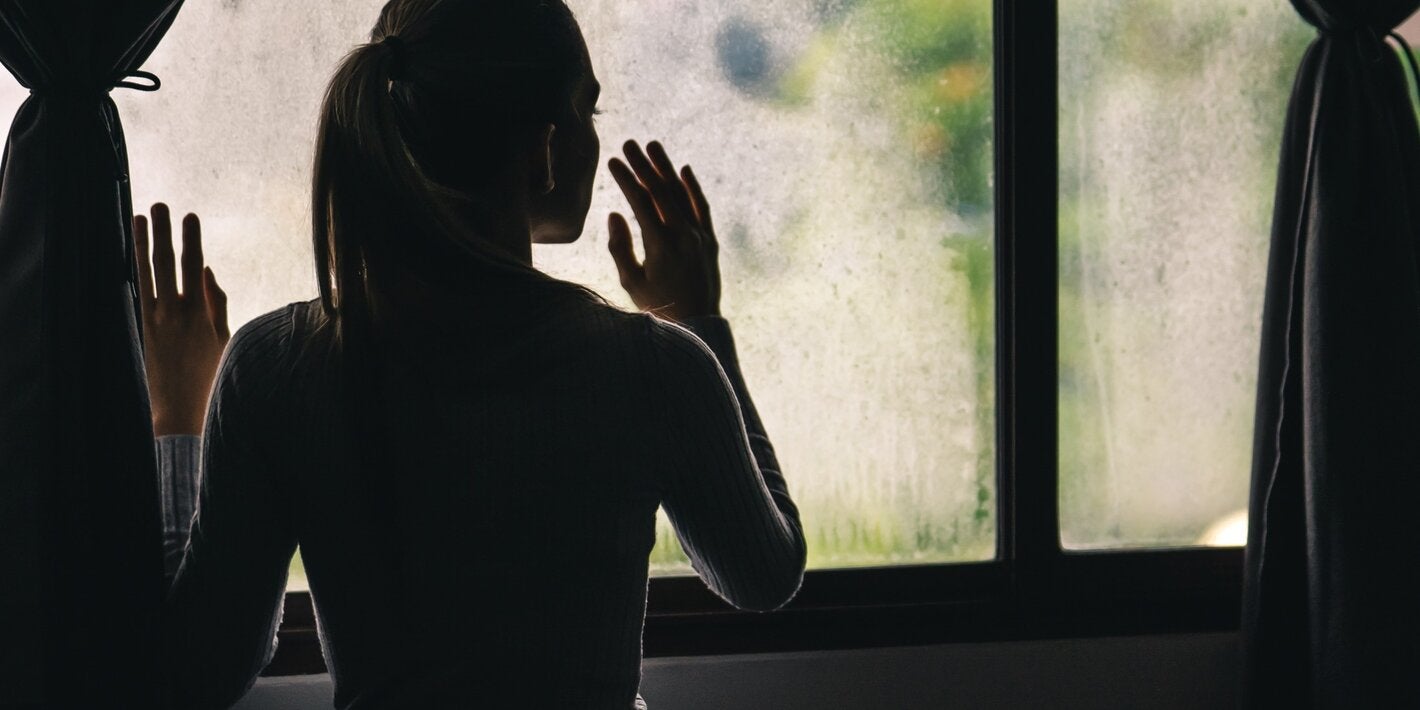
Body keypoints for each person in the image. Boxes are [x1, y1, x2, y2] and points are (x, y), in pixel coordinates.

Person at [139, 0, 807, 707]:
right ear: (543, 149)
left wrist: (178, 413)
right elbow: (764, 575)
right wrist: (699, 322)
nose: (594, 139)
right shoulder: (651, 367)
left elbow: (198, 670)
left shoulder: (276, 368)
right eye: (590, 113)